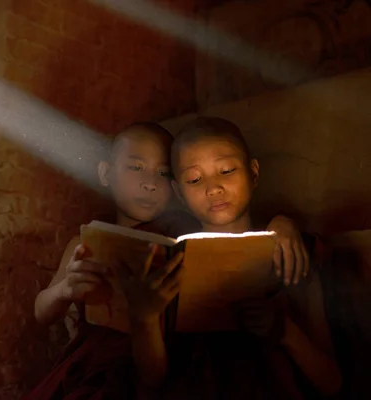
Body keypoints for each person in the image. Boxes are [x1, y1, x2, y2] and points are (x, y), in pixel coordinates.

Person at [26, 121, 309, 399]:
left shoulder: (180, 236)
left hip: (166, 363)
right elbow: (42, 312)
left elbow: (238, 229)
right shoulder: (85, 241)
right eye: (136, 168)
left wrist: (282, 223)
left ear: (175, 190)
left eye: (162, 173)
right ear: (105, 173)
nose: (149, 183)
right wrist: (64, 291)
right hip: (98, 368)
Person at [118, 116, 341, 399]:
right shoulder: (171, 262)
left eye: (226, 170)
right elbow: (154, 379)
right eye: (195, 179)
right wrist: (145, 319)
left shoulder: (289, 252)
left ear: (254, 173)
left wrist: (284, 332)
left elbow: (332, 381)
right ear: (179, 194)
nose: (213, 188)